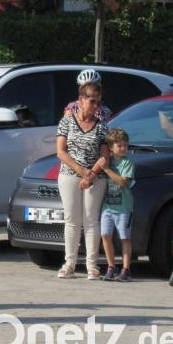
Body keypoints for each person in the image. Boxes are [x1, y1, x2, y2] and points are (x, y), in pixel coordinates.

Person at [56, 81, 109, 279]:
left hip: (96, 178)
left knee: (91, 219)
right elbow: (61, 152)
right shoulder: (66, 122)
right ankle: (69, 263)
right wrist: (81, 171)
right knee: (72, 219)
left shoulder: (102, 126)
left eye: (99, 103)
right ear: (81, 100)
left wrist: (91, 175)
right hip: (69, 175)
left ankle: (92, 265)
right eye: (92, 101)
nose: (96, 106)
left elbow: (105, 156)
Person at [99, 128, 135, 282]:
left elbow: (122, 182)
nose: (123, 148)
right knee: (105, 236)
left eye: (125, 145)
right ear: (111, 147)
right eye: (119, 145)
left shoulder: (128, 162)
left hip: (124, 208)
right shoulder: (108, 161)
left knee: (124, 238)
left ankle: (126, 270)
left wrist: (106, 169)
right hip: (107, 207)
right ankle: (111, 267)